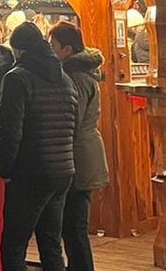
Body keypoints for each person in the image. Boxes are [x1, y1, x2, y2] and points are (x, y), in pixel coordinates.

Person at [0, 22, 77, 271]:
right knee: (51, 244)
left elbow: (11, 130)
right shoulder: (64, 77)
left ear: (18, 50)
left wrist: (5, 170)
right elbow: (73, 120)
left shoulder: (17, 78)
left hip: (30, 172)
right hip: (63, 169)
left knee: (13, 246)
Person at [47, 22, 108, 271]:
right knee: (73, 226)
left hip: (78, 156)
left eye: (53, 46)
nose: (50, 51)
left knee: (74, 226)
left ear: (67, 49)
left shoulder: (75, 78)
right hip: (84, 152)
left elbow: (73, 117)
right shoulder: (82, 74)